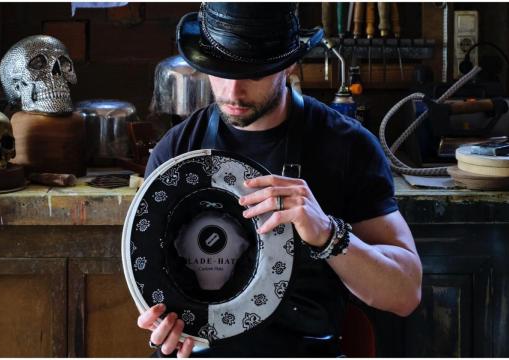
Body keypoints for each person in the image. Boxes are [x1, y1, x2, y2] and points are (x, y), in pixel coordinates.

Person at [137, 3, 422, 357]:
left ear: (288, 64)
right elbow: (150, 279)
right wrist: (163, 326)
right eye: (220, 71)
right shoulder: (178, 151)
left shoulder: (348, 146)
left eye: (252, 73)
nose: (233, 91)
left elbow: (406, 293)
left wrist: (327, 233)